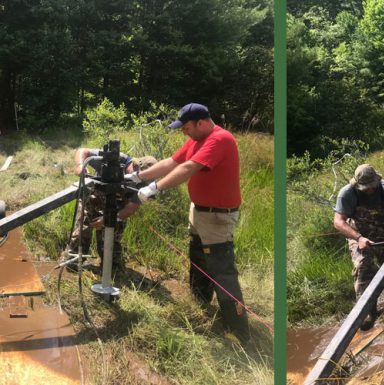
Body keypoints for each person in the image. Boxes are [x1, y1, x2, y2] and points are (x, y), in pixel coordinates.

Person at [125, 103, 250, 342]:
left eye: (187, 127)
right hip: (200, 211)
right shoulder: (196, 139)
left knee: (222, 271)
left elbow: (189, 167)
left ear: (201, 123)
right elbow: (172, 162)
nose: (184, 131)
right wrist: (138, 176)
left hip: (217, 217)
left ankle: (238, 331)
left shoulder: (220, 139)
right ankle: (200, 302)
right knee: (198, 257)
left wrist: (154, 189)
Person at [333, 164, 384, 331]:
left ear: (377, 181)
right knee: (363, 267)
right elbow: (338, 222)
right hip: (359, 235)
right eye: (364, 187)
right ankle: (368, 311)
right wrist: (359, 238)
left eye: (371, 186)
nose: (368, 190)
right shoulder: (347, 193)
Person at [63, 148, 157, 270]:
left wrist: (107, 220)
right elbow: (83, 151)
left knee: (111, 239)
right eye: (139, 176)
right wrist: (80, 165)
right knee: (82, 231)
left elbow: (131, 208)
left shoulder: (144, 186)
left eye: (144, 180)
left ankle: (111, 269)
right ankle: (73, 262)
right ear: (134, 166)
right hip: (92, 199)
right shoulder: (116, 158)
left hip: (116, 209)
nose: (139, 181)